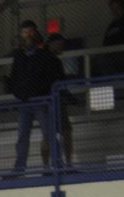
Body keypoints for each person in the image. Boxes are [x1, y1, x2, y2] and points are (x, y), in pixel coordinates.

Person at [7, 20, 62, 175]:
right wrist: (20, 93)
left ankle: (57, 164)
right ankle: (20, 168)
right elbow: (14, 77)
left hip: (39, 101)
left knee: (48, 134)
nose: (28, 35)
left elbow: (49, 76)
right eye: (25, 32)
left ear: (35, 32)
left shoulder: (43, 54)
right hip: (26, 102)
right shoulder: (20, 56)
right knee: (23, 137)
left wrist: (41, 93)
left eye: (30, 32)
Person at [42, 33, 76, 169]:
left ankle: (47, 166)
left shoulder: (43, 58)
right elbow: (59, 83)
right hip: (54, 100)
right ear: (53, 44)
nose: (62, 47)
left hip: (47, 100)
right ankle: (67, 163)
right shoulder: (53, 61)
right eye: (60, 44)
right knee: (65, 131)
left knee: (48, 134)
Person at [97, 0, 124, 76]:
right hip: (113, 55)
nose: (114, 12)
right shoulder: (113, 24)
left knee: (101, 60)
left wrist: (117, 31)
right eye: (113, 10)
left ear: (123, 8)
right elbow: (106, 40)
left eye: (117, 9)